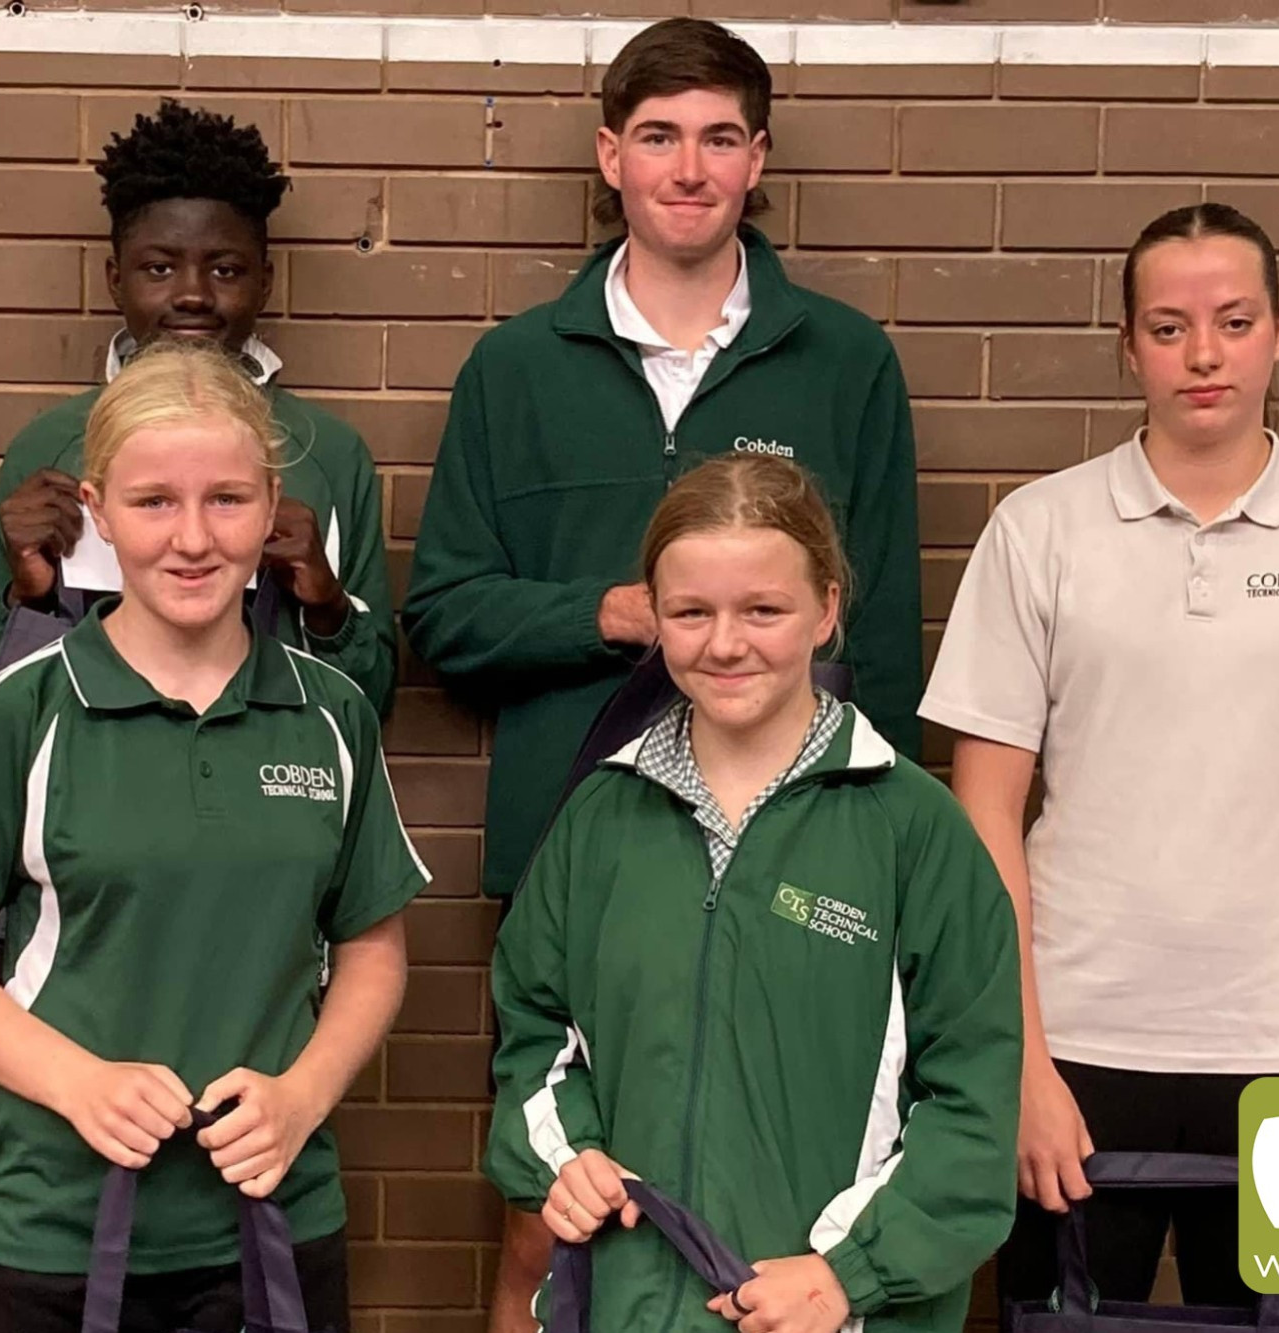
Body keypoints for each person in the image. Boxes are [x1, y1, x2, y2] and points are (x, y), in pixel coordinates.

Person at [399, 22, 924, 1323]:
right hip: (579, 859)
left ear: (758, 161)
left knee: (787, 1210)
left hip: (801, 865)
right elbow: (445, 616)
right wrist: (620, 613)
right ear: (608, 157)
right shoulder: (515, 367)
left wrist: (885, 849)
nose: (688, 167)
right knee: (552, 1215)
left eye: (719, 137)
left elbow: (889, 639)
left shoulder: (846, 361)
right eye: (658, 136)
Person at [919, 203, 1279, 1327]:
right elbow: (980, 815)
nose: (1203, 354)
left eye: (1230, 320)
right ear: (1127, 346)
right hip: (1073, 1048)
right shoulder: (1038, 531)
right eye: (1167, 328)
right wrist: (1018, 1061)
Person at [0, 340, 427, 1333]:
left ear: (270, 507)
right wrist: (76, 1083)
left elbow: (372, 946)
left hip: (270, 1223)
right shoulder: (26, 707)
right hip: (62, 1224)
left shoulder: (330, 712)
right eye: (151, 502)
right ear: (98, 511)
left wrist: (302, 1096)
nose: (191, 538)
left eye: (225, 499)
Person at [484, 453, 1018, 1333]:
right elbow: (533, 1032)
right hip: (628, 1306)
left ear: (828, 608)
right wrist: (567, 1155)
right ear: (654, 616)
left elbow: (972, 1102)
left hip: (827, 1313)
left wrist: (848, 1275)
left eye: (763, 609)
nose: (725, 643)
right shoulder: (601, 816)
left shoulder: (912, 830)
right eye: (691, 611)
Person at [0, 100, 394, 714]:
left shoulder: (325, 453)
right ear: (116, 279)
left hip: (268, 788)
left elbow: (372, 706)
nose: (193, 294)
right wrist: (27, 598)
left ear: (266, 282)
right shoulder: (49, 448)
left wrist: (326, 606)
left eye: (225, 269)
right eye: (160, 268)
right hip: (89, 792)